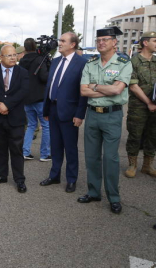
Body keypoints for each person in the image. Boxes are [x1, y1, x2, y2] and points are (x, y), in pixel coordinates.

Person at [79, 26, 132, 214]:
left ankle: (114, 197)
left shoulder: (124, 62)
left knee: (110, 158)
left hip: (112, 115)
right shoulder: (90, 63)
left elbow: (118, 90)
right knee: (91, 157)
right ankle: (93, 192)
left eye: (105, 40)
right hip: (92, 114)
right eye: (98, 40)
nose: (101, 43)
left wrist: (93, 86)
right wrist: (105, 87)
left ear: (114, 42)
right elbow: (83, 91)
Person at [40, 32, 88, 193]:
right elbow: (50, 86)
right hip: (53, 110)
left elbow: (83, 92)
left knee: (70, 148)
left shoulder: (82, 63)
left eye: (63, 41)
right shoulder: (55, 61)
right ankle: (54, 176)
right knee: (55, 146)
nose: (59, 43)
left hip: (70, 112)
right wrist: (46, 109)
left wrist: (80, 114)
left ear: (73, 44)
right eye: (59, 40)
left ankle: (72, 179)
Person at [0, 45, 29, 193]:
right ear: (1, 57)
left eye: (15, 55)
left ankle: (19, 180)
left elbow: (23, 91)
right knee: (0, 149)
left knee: (17, 150)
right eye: (9, 55)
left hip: (16, 118)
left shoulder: (23, 73)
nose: (13, 58)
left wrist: (7, 105)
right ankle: (2, 175)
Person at [125, 32, 156, 178]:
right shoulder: (134, 62)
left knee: (153, 136)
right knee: (135, 136)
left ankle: (147, 166)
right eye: (155, 41)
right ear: (145, 42)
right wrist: (149, 102)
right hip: (138, 107)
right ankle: (132, 165)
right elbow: (133, 86)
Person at [20, 38, 51, 162]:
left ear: (25, 48)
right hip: (39, 98)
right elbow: (44, 77)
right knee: (46, 126)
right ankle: (44, 154)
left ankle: (25, 151)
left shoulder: (22, 61)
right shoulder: (39, 59)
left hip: (27, 99)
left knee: (31, 125)